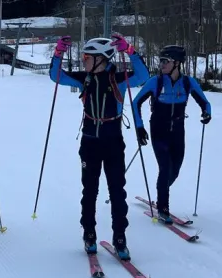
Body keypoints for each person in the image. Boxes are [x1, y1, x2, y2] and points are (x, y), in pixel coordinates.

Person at [47, 33, 149, 260]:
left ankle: (120, 237)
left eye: (87, 57)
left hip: (113, 141)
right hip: (89, 142)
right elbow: (56, 76)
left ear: (102, 58)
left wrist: (130, 51)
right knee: (89, 191)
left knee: (117, 192)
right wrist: (58, 54)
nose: (83, 61)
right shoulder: (85, 78)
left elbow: (143, 75)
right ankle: (89, 233)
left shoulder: (119, 78)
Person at [131, 44, 211, 224]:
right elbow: (136, 103)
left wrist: (207, 114)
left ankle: (161, 192)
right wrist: (139, 126)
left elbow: (205, 103)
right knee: (165, 168)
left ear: (177, 63)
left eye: (165, 61)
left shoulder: (188, 82)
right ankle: (163, 207)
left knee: (175, 171)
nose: (161, 64)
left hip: (178, 131)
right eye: (160, 61)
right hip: (158, 130)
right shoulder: (155, 82)